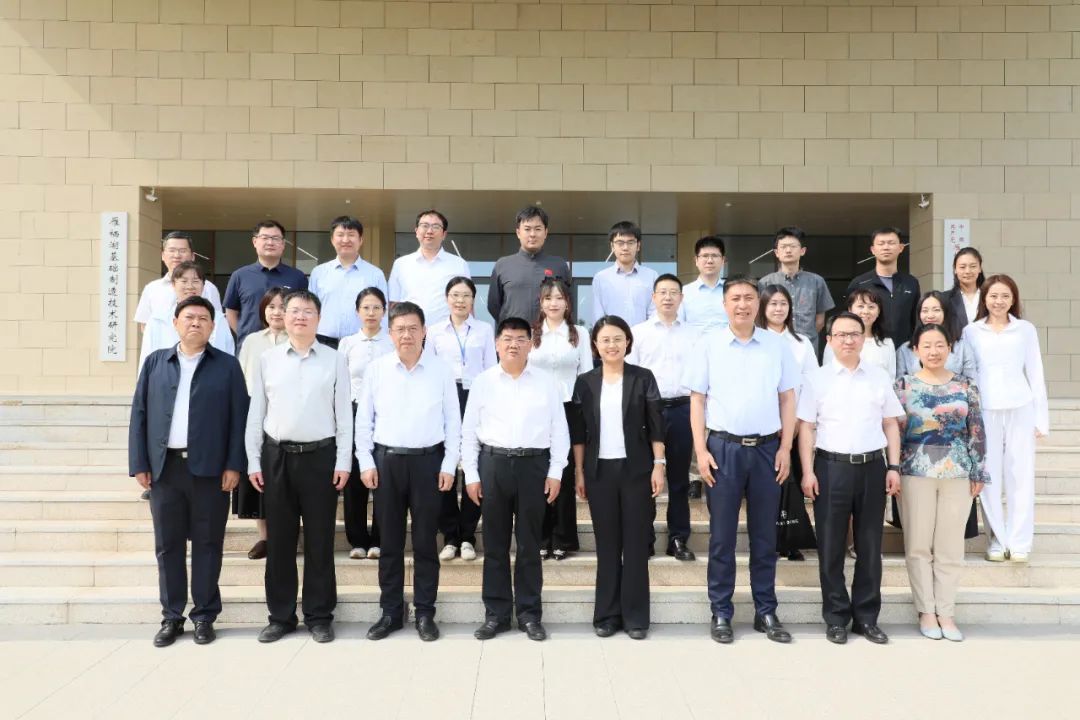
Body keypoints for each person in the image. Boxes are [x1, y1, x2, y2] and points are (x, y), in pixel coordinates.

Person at [129, 296, 248, 647]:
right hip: (165, 469)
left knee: (209, 544)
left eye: (203, 318)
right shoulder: (155, 362)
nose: (195, 323)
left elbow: (239, 418)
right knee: (168, 545)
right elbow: (139, 414)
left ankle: (204, 616)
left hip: (210, 470)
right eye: (189, 317)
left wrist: (234, 465)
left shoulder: (227, 366)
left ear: (213, 326)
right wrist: (140, 463)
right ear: (175, 323)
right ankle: (171, 616)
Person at [687, 277, 799, 645]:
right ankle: (721, 610)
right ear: (724, 305)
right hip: (723, 450)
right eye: (735, 298)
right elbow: (698, 400)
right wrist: (701, 452)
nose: (742, 304)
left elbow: (787, 399)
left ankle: (766, 610)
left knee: (765, 536)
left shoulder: (776, 345)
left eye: (749, 298)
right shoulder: (708, 344)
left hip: (767, 450)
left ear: (758, 304)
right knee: (722, 538)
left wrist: (785, 447)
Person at [245, 290, 352, 644]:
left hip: (321, 458)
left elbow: (344, 415)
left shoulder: (335, 359)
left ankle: (319, 616)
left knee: (320, 540)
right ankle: (281, 616)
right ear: (283, 316)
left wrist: (343, 460)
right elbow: (256, 413)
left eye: (308, 311)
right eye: (294, 311)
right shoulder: (268, 359)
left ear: (318, 319)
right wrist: (253, 459)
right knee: (279, 541)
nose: (300, 317)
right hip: (277, 458)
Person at [355, 301, 461, 642]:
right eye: (400, 329)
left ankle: (425, 612)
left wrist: (449, 464)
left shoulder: (441, 370)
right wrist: (366, 461)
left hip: (429, 462)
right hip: (387, 463)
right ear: (390, 333)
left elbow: (453, 422)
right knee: (390, 543)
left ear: (424, 331)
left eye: (413, 328)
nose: (407, 334)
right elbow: (364, 420)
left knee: (426, 542)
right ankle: (391, 611)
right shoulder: (377, 369)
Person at [797, 312, 905, 645]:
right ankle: (836, 617)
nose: (848, 340)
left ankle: (867, 617)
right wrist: (808, 471)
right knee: (831, 546)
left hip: (873, 467)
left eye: (854, 334)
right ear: (829, 340)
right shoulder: (816, 379)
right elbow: (807, 427)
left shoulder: (878, 376)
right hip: (831, 468)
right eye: (841, 335)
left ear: (863, 339)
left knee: (870, 546)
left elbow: (890, 423)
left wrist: (893, 466)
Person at [462, 317, 570, 642]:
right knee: (494, 545)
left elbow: (559, 430)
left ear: (530, 344)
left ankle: (529, 615)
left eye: (521, 338)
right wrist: (471, 474)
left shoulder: (546, 383)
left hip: (534, 466)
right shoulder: (483, 382)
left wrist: (556, 471)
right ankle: (496, 615)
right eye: (507, 338)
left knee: (529, 545)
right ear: (497, 343)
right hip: (493, 464)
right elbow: (468, 433)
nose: (513, 344)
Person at [572, 316, 665, 640]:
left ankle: (636, 617)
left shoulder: (643, 378)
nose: (611, 345)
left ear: (628, 342)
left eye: (617, 339)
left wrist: (659, 464)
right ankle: (607, 614)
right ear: (595, 346)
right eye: (605, 340)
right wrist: (579, 471)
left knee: (636, 544)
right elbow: (579, 434)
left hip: (636, 470)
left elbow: (656, 425)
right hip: (599, 472)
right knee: (607, 545)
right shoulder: (585, 382)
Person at [895, 323, 989, 642]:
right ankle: (926, 610)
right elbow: (894, 432)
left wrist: (979, 470)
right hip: (914, 471)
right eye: (927, 345)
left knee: (950, 546)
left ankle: (946, 612)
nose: (933, 351)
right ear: (915, 350)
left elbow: (976, 429)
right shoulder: (903, 385)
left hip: (957, 472)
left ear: (950, 348)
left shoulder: (965, 385)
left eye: (940, 345)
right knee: (918, 545)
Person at [962, 274, 1049, 562]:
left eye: (1005, 296)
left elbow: (1035, 371)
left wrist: (1041, 418)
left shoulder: (1025, 329)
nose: (999, 301)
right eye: (993, 296)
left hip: (1020, 406)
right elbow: (969, 373)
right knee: (988, 475)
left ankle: (1020, 542)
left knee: (1020, 475)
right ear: (984, 299)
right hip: (985, 409)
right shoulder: (971, 331)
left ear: (1013, 299)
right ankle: (997, 540)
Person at [627, 274, 700, 560]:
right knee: (645, 477)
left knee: (680, 479)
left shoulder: (695, 335)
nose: (668, 297)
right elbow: (630, 378)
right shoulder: (638, 333)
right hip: (648, 411)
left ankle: (678, 538)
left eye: (673, 292)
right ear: (653, 297)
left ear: (682, 298)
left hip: (682, 409)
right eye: (662, 292)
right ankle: (644, 537)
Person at [427, 277, 497, 562]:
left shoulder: (484, 330)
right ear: (446, 299)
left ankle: (467, 535)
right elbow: (428, 369)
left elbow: (491, 368)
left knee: (473, 464)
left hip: (475, 396)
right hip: (443, 397)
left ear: (473, 300)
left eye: (466, 295)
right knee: (443, 462)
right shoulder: (433, 331)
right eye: (455, 295)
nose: (460, 300)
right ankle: (450, 536)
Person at [528, 278, 592, 560]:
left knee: (564, 473)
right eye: (548, 298)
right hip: (536, 409)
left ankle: (563, 538)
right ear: (541, 303)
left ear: (567, 302)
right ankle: (541, 537)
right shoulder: (531, 333)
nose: (553, 303)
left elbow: (586, 374)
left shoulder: (580, 333)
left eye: (559, 298)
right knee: (540, 471)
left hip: (569, 407)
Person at [756, 284, 818, 561]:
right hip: (765, 426)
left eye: (783, 303)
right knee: (768, 486)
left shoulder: (802, 342)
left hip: (797, 425)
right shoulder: (757, 339)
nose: (778, 308)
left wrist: (796, 423)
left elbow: (811, 383)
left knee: (791, 483)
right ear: (763, 307)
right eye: (772, 304)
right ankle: (768, 540)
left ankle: (791, 539)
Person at [338, 287, 395, 561]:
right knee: (355, 480)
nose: (371, 313)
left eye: (376, 307)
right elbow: (340, 382)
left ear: (384, 311)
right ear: (357, 311)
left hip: (385, 413)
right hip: (354, 410)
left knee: (382, 476)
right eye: (366, 308)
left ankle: (379, 540)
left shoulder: (392, 341)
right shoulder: (348, 343)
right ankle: (358, 540)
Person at [234, 287, 289, 561]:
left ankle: (289, 534)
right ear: (263, 310)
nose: (277, 312)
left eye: (282, 307)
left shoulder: (299, 338)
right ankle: (265, 538)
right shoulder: (252, 341)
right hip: (256, 413)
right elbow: (242, 378)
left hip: (290, 416)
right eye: (271, 307)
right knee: (261, 476)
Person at [224, 220, 308, 349]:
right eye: (265, 237)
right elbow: (231, 311)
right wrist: (244, 335)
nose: (270, 242)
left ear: (283, 244)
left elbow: (303, 310)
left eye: (275, 238)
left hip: (287, 347)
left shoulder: (297, 277)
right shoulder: (240, 275)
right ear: (255, 242)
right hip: (250, 346)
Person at [308, 216, 388, 349]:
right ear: (332, 240)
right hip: (324, 342)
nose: (345, 240)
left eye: (351, 235)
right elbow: (310, 309)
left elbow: (384, 313)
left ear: (360, 240)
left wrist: (382, 342)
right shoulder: (318, 273)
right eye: (340, 235)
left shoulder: (375, 274)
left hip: (362, 343)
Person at [139, 261, 235, 369]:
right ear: (173, 284)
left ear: (203, 285)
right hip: (167, 376)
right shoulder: (157, 319)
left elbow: (228, 353)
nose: (190, 286)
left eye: (195, 281)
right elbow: (146, 358)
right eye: (184, 281)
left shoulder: (218, 319)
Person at [488, 205, 572, 323]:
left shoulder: (559, 265)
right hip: (515, 332)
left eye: (538, 229)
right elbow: (493, 305)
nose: (532, 234)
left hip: (548, 332)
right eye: (527, 229)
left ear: (545, 233)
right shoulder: (502, 265)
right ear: (518, 232)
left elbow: (568, 302)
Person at [388, 209, 470, 326]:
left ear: (444, 234)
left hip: (447, 332)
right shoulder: (401, 264)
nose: (430, 231)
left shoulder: (459, 264)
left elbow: (468, 303)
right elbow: (394, 303)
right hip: (410, 331)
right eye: (425, 226)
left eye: (436, 227)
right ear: (416, 231)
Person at [757, 226, 835, 348]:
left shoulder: (817, 282)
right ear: (776, 252)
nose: (788, 250)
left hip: (807, 346)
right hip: (774, 346)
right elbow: (760, 317)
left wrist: (803, 340)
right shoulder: (765, 283)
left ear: (802, 251)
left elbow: (820, 321)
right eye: (783, 247)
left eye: (793, 246)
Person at [134, 231, 224, 336]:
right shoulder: (152, 288)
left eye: (182, 251)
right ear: (163, 255)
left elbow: (217, 323)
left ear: (192, 256)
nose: (177, 255)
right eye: (172, 250)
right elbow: (145, 325)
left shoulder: (208, 288)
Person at [846, 227, 920, 349]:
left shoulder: (911, 283)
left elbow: (915, 320)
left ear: (901, 248)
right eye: (881, 243)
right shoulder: (859, 283)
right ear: (873, 250)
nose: (886, 247)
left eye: (891, 243)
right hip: (869, 349)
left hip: (904, 350)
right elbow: (849, 320)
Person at [895, 290, 977, 380]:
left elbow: (971, 381)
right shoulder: (905, 349)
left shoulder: (962, 347)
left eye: (936, 310)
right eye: (925, 311)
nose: (930, 315)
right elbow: (900, 383)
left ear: (945, 312)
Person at [591, 220, 658, 326]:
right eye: (620, 243)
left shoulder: (652, 276)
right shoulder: (601, 278)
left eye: (630, 242)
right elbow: (598, 315)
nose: (625, 248)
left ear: (638, 245)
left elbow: (654, 313)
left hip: (643, 335)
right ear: (612, 246)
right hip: (612, 335)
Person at [824, 288, 895, 378]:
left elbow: (890, 378)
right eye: (860, 306)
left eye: (871, 307)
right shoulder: (836, 340)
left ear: (878, 312)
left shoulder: (887, 343)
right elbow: (827, 374)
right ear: (850, 309)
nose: (865, 312)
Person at [677, 235, 728, 333]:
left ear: (723, 260)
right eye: (705, 256)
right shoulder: (684, 292)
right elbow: (678, 325)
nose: (710, 261)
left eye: (715, 256)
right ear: (696, 260)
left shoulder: (732, 291)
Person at [946, 246, 985, 329]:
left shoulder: (989, 297)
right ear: (955, 270)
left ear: (980, 268)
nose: (967, 271)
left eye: (973, 266)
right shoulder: (945, 299)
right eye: (962, 267)